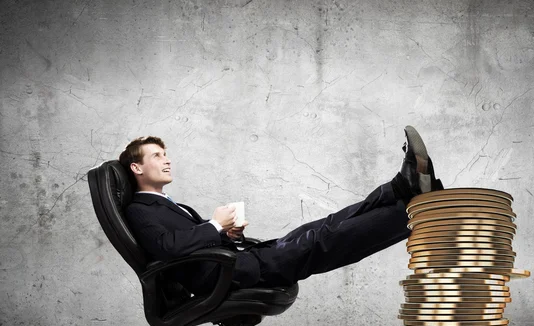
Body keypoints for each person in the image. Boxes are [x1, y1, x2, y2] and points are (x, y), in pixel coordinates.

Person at [118, 126, 443, 295]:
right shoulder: (138, 209)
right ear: (136, 167)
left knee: (326, 225)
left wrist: (227, 233)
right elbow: (166, 249)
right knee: (326, 240)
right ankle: (414, 210)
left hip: (241, 259)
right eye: (157, 155)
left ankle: (403, 187)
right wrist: (214, 225)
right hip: (226, 276)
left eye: (165, 153)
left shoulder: (166, 204)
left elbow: (189, 243)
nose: (167, 159)